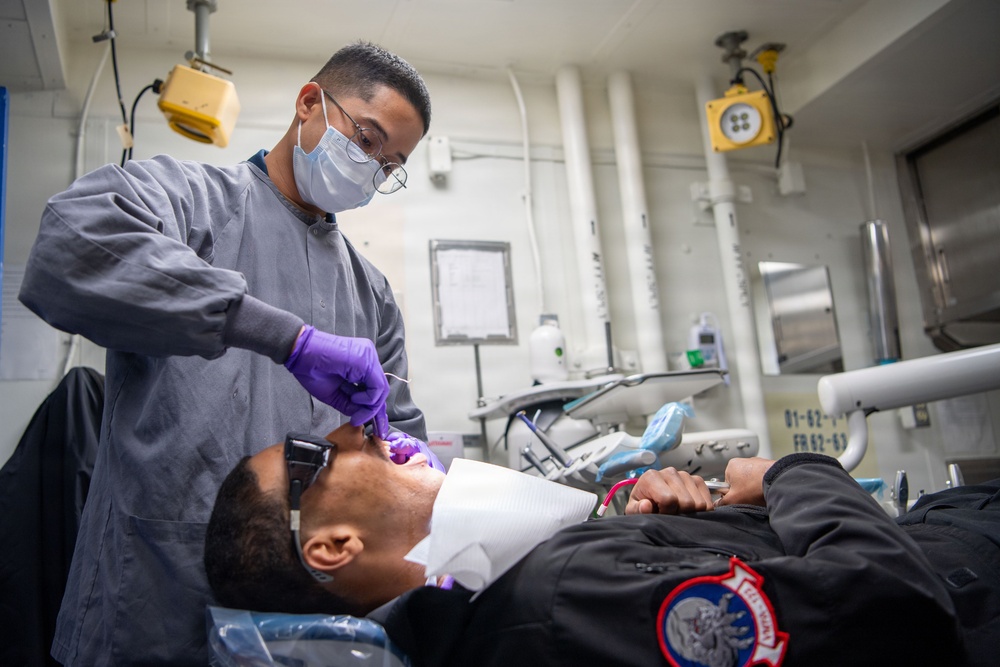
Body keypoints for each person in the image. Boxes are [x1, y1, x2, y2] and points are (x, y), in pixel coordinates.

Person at [18, 41, 432, 665]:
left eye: (389, 165)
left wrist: (420, 466)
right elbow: (71, 244)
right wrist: (287, 339)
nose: (371, 168)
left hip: (304, 620)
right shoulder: (189, 200)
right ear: (309, 103)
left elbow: (399, 432)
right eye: (367, 140)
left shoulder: (371, 293)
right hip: (154, 589)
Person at [205, 423, 1000, 667]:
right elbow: (895, 609)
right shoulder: (557, 605)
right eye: (316, 454)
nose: (356, 430)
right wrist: (794, 473)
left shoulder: (520, 596)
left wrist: (658, 525)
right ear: (332, 547)